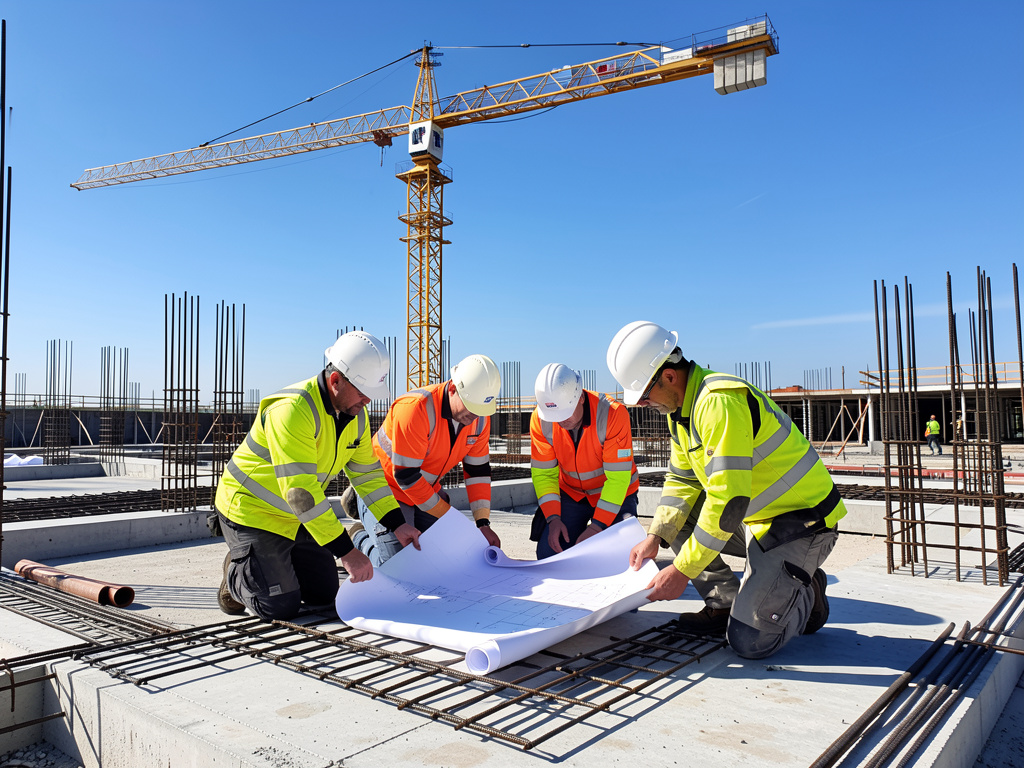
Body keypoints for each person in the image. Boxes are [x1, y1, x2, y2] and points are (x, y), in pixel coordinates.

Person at [607, 321, 847, 659]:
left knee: (750, 642)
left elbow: (728, 501)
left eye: (645, 395)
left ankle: (807, 591)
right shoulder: (680, 412)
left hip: (800, 525)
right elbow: (682, 480)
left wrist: (683, 571)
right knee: (677, 521)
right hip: (759, 519)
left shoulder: (718, 402)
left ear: (669, 376)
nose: (645, 404)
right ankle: (724, 604)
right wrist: (656, 536)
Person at [214, 331, 419, 620]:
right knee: (279, 607)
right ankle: (236, 571)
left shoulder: (354, 416)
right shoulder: (292, 410)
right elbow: (301, 492)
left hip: (297, 515)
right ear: (335, 381)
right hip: (253, 512)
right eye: (362, 393)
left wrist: (397, 524)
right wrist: (347, 552)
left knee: (324, 595)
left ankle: (266, 564)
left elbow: (368, 476)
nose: (367, 402)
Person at [345, 354, 503, 565]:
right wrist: (450, 518)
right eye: (471, 407)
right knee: (399, 566)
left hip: (424, 492)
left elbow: (477, 472)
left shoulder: (479, 418)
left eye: (481, 409)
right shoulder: (415, 408)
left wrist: (482, 523)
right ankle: (358, 536)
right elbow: (406, 476)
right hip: (385, 489)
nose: (475, 415)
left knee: (445, 559)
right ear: (454, 389)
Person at [530, 363, 640, 559]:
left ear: (580, 397)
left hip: (617, 495)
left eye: (564, 413)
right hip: (573, 495)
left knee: (622, 555)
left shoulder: (612, 414)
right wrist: (553, 518)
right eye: (554, 416)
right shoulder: (540, 419)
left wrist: (597, 527)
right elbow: (544, 474)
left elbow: (617, 479)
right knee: (549, 553)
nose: (560, 422)